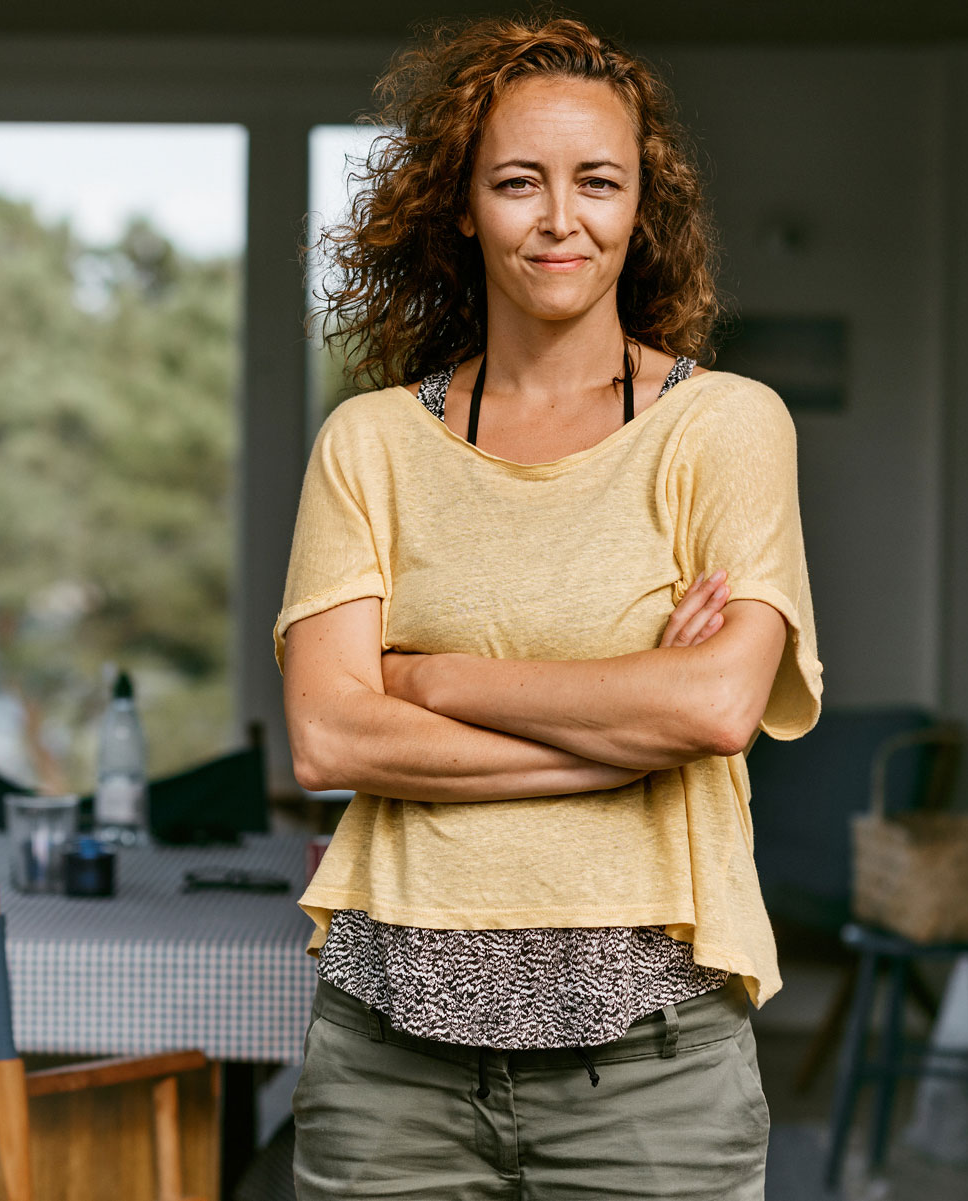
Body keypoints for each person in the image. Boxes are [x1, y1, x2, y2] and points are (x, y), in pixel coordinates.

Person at [276, 15, 824, 1200]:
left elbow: (720, 706)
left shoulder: (722, 427)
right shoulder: (368, 445)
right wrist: (626, 735)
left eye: (597, 182)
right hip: (386, 1065)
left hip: (653, 1070)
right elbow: (328, 736)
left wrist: (427, 677)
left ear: (641, 209)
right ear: (461, 205)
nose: (559, 217)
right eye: (518, 181)